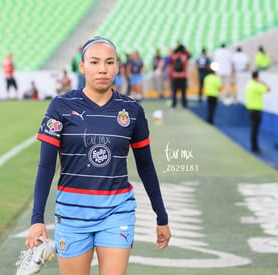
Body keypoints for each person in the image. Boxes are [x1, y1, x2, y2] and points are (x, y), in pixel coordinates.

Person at [24, 36, 171, 275]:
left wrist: (161, 216)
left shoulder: (132, 110)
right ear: (82, 66)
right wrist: (37, 219)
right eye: (94, 62)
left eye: (109, 62)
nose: (102, 69)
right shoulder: (60, 106)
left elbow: (146, 167)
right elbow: (46, 166)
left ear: (117, 67)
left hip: (116, 210)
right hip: (72, 213)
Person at [245, 71, 270, 154]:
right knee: (255, 130)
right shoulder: (256, 86)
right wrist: (262, 82)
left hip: (250, 109)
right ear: (257, 77)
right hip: (256, 110)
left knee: (253, 128)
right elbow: (268, 89)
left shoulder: (248, 84)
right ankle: (255, 148)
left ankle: (254, 146)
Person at [170, 44, 191, 108]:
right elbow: (190, 54)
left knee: (174, 92)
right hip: (182, 76)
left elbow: (171, 63)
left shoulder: (173, 56)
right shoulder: (185, 56)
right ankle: (184, 104)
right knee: (183, 92)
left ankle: (174, 104)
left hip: (175, 76)